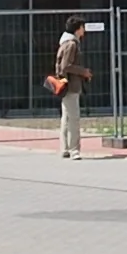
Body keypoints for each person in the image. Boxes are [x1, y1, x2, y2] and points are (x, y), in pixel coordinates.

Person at [50, 18, 89, 158]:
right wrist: (83, 72)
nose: (84, 30)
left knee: (66, 117)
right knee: (74, 118)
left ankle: (65, 148)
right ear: (78, 28)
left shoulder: (66, 43)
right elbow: (66, 66)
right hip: (71, 85)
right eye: (83, 27)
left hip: (66, 85)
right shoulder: (72, 44)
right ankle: (74, 150)